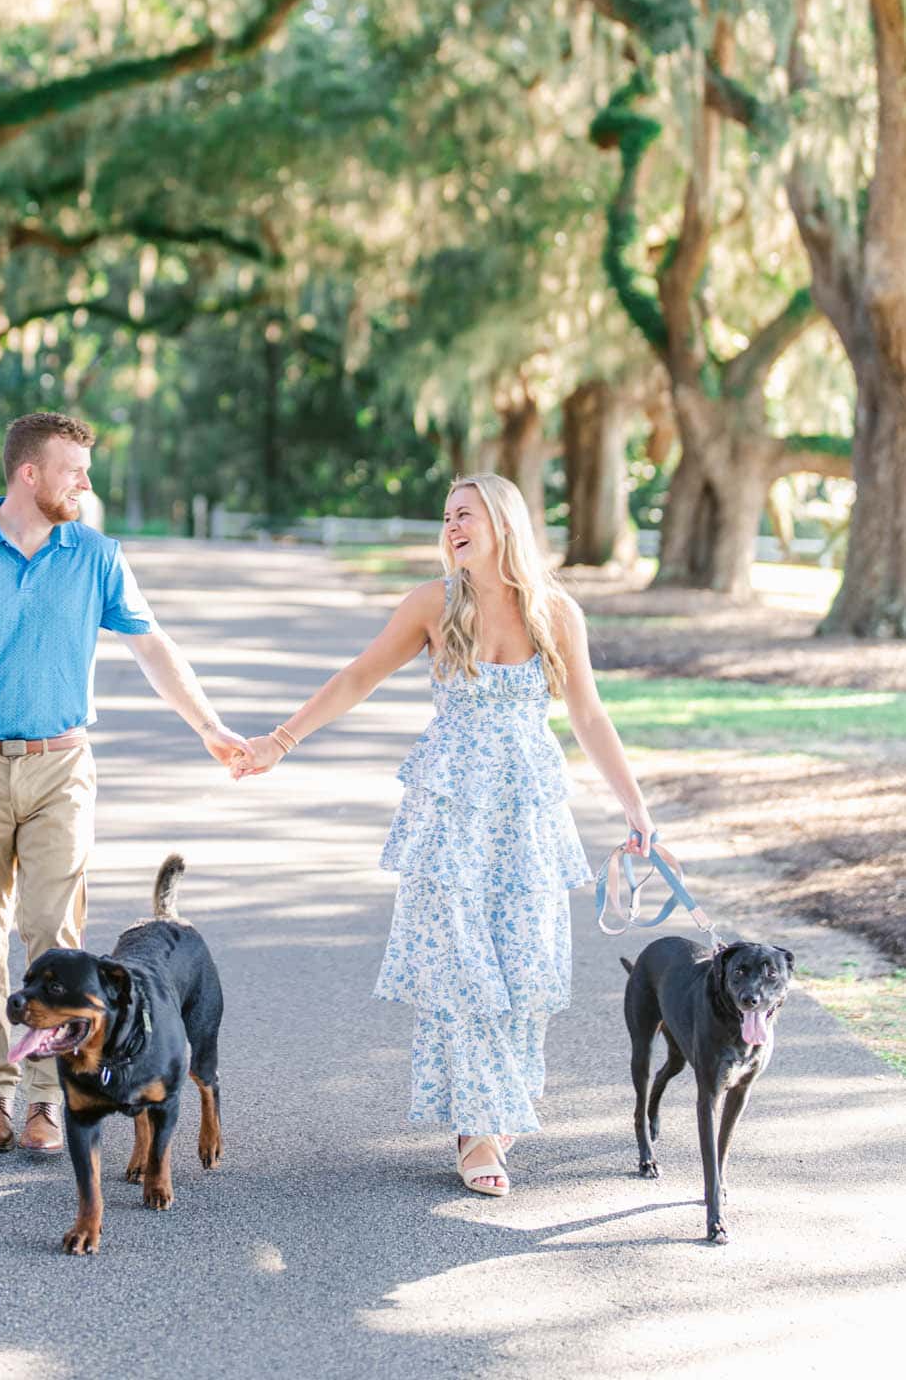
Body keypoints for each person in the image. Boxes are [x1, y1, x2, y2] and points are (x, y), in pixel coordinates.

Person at [233, 472, 653, 1196]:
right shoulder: (433, 603)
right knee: (462, 964)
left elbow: (589, 716)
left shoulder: (557, 612)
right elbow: (360, 676)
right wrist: (280, 740)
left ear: (503, 521)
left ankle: (499, 1096)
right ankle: (477, 1128)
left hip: (527, 813)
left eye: (466, 513)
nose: (453, 525)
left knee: (526, 964)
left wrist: (635, 809)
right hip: (451, 812)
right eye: (447, 515)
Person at [0, 410, 247, 1155]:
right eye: (73, 470)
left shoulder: (96, 555)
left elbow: (151, 646)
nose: (85, 483)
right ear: (29, 474)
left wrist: (209, 727)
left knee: (55, 936)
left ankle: (51, 1098)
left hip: (61, 764)